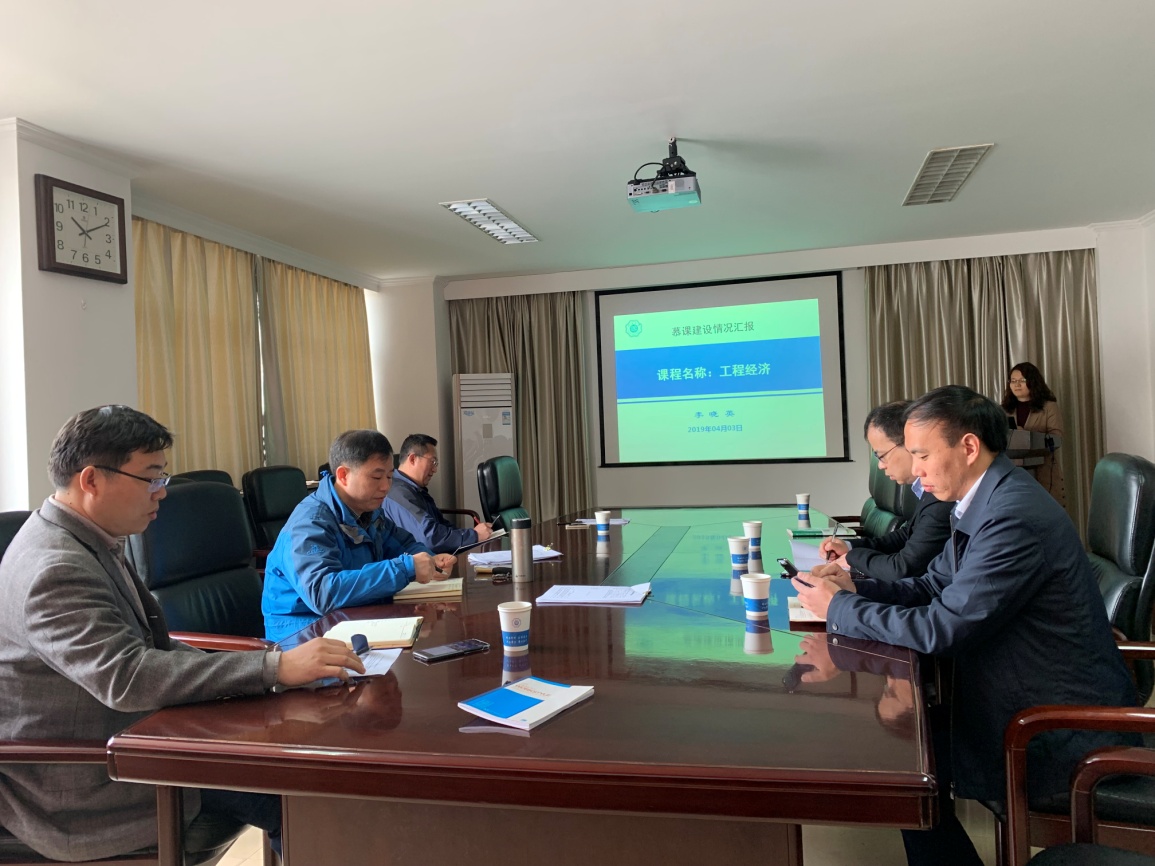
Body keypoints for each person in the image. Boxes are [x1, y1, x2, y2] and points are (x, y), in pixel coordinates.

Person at [0, 406, 364, 862]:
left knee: (294, 760)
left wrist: (272, 667)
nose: (162, 492)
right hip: (85, 783)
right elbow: (128, 677)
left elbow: (150, 647)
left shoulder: (81, 537)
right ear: (91, 480)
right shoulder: (56, 567)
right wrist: (273, 668)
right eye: (150, 477)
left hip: (138, 736)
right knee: (299, 789)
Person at [792, 386, 1136, 866]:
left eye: (922, 455)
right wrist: (855, 588)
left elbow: (943, 629)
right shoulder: (984, 499)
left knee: (902, 760)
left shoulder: (1011, 516)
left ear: (969, 446)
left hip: (1061, 731)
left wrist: (840, 610)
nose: (915, 471)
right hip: (1024, 696)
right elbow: (933, 586)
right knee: (901, 755)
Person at [262, 429, 456, 641]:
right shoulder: (310, 524)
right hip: (304, 637)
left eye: (390, 476)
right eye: (376, 477)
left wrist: (430, 560)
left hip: (354, 622)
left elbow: (404, 544)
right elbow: (323, 594)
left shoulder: (370, 511)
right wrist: (405, 568)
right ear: (343, 475)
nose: (386, 487)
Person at [817, 401, 953, 582]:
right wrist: (849, 547)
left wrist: (852, 558)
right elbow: (908, 535)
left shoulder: (943, 495)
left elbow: (903, 568)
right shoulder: (928, 490)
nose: (880, 466)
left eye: (881, 456)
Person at [383, 433, 494, 554]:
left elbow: (442, 526)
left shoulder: (415, 488)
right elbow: (430, 538)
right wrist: (474, 535)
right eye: (433, 462)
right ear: (413, 459)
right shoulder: (399, 493)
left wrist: (473, 535)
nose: (435, 469)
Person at [1000, 361, 1066, 506]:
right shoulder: (1003, 410)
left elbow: (1057, 438)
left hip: (1043, 471)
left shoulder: (1049, 407)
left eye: (1022, 380)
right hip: (1011, 473)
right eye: (1013, 381)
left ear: (1033, 382)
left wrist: (1026, 435)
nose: (1017, 385)